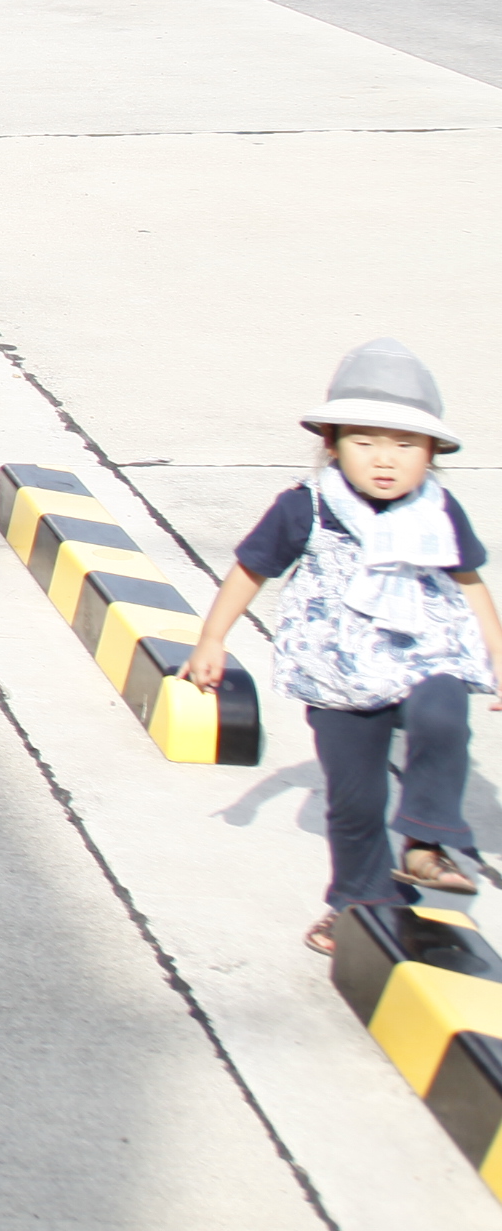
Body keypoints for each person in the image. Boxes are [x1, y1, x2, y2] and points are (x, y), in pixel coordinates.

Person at [182, 342, 501, 962]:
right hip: (338, 673)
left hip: (423, 657)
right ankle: (360, 900)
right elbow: (252, 569)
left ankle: (425, 840)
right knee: (356, 800)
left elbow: (470, 583)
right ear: (331, 443)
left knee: (444, 714)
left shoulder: (438, 510)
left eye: (405, 445)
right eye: (364, 441)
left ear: (432, 453)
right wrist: (213, 638)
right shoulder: (306, 506)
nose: (385, 459)